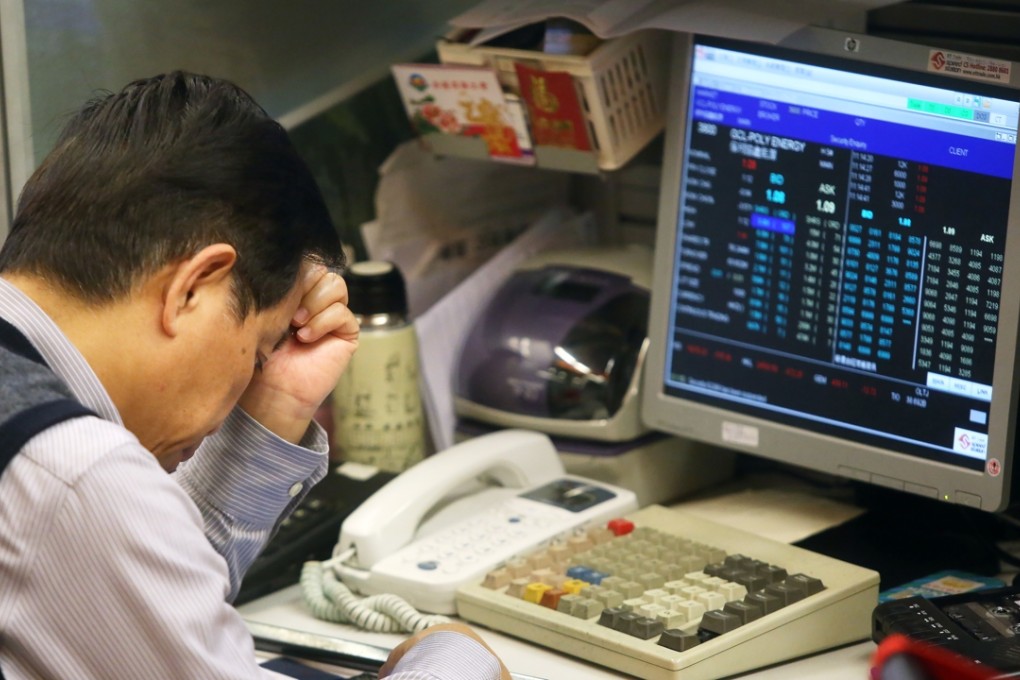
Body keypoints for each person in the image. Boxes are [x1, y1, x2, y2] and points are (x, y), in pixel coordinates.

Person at [0, 71, 509, 679]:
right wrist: (455, 656)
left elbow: (141, 613)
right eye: (260, 352)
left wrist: (274, 406)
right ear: (192, 288)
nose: (251, 376)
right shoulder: (75, 474)